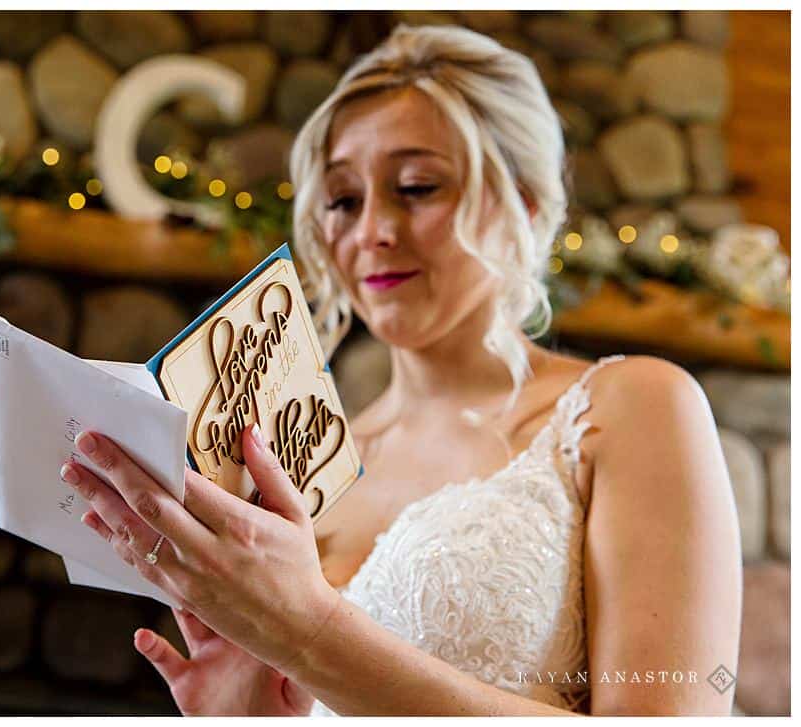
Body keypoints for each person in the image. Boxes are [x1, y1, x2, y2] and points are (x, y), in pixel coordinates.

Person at [58, 23, 742, 716]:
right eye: (344, 200)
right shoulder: (308, 467)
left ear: (522, 208)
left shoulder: (630, 408)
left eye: (416, 187)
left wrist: (309, 634)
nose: (373, 231)